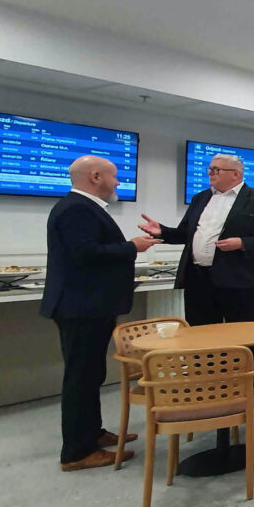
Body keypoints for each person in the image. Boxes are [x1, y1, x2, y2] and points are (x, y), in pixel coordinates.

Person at [42, 155, 161, 471]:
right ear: (95, 177)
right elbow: (86, 254)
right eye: (114, 175)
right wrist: (132, 247)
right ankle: (77, 452)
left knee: (90, 374)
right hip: (81, 306)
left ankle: (92, 433)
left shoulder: (81, 207)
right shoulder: (77, 208)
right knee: (81, 377)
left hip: (89, 305)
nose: (118, 182)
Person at [138, 154, 254, 327]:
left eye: (216, 170)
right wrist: (162, 231)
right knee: (200, 333)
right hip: (198, 280)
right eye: (210, 169)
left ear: (236, 174)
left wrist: (242, 243)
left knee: (241, 334)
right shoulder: (200, 198)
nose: (210, 173)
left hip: (239, 282)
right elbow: (186, 234)